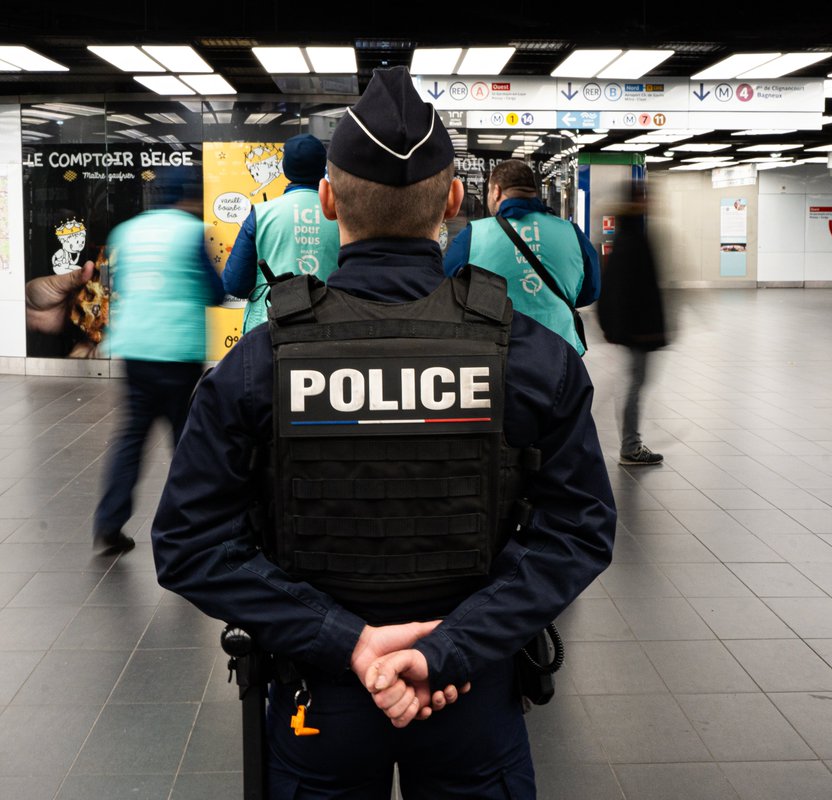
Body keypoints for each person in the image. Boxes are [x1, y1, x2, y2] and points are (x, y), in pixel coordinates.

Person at [150, 66, 616, 799]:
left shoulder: (259, 363)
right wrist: (448, 649)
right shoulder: (531, 357)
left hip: (319, 697)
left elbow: (188, 543)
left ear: (328, 199)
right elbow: (580, 531)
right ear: (455, 200)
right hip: (472, 690)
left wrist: (350, 642)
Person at [93, 168, 224, 554]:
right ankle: (193, 529)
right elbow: (215, 291)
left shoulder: (127, 232)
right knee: (186, 441)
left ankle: (109, 523)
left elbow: (118, 284)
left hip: (134, 347)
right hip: (177, 351)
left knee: (131, 438)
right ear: (188, 196)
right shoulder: (189, 231)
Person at [443, 159, 599, 355]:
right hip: (561, 351)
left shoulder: (474, 235)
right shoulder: (572, 233)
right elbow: (591, 291)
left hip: (498, 352)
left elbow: (446, 288)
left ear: (497, 191)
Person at [223, 133, 341, 333]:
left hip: (268, 331)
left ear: (285, 168)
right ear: (323, 167)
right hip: (328, 330)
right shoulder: (342, 217)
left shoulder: (260, 215)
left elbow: (236, 284)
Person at [597, 184, 668, 465]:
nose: (651, 202)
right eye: (645, 198)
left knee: (633, 382)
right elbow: (628, 289)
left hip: (635, 329)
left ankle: (630, 441)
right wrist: (645, 330)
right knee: (635, 383)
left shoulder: (629, 234)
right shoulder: (633, 238)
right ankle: (630, 445)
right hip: (638, 330)